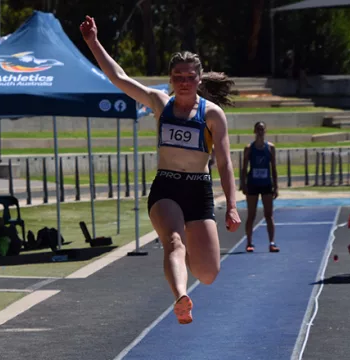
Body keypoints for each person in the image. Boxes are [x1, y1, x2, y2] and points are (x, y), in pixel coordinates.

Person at [80, 16, 242, 325]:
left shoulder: (212, 115)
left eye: (189, 76)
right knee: (174, 242)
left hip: (198, 189)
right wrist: (93, 42)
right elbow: (120, 78)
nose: (183, 81)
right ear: (170, 79)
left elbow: (224, 161)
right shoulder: (159, 103)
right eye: (177, 76)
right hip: (166, 188)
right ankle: (181, 296)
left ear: (199, 79)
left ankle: (186, 266)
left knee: (208, 273)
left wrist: (232, 205)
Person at [240, 121, 279, 253]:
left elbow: (273, 168)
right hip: (253, 184)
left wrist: (276, 186)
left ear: (265, 131)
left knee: (269, 215)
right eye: (258, 129)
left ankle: (272, 242)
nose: (260, 132)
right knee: (251, 215)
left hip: (266, 184)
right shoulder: (249, 148)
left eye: (262, 129)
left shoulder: (270, 148)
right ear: (254, 131)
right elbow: (244, 168)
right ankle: (249, 242)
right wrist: (243, 185)